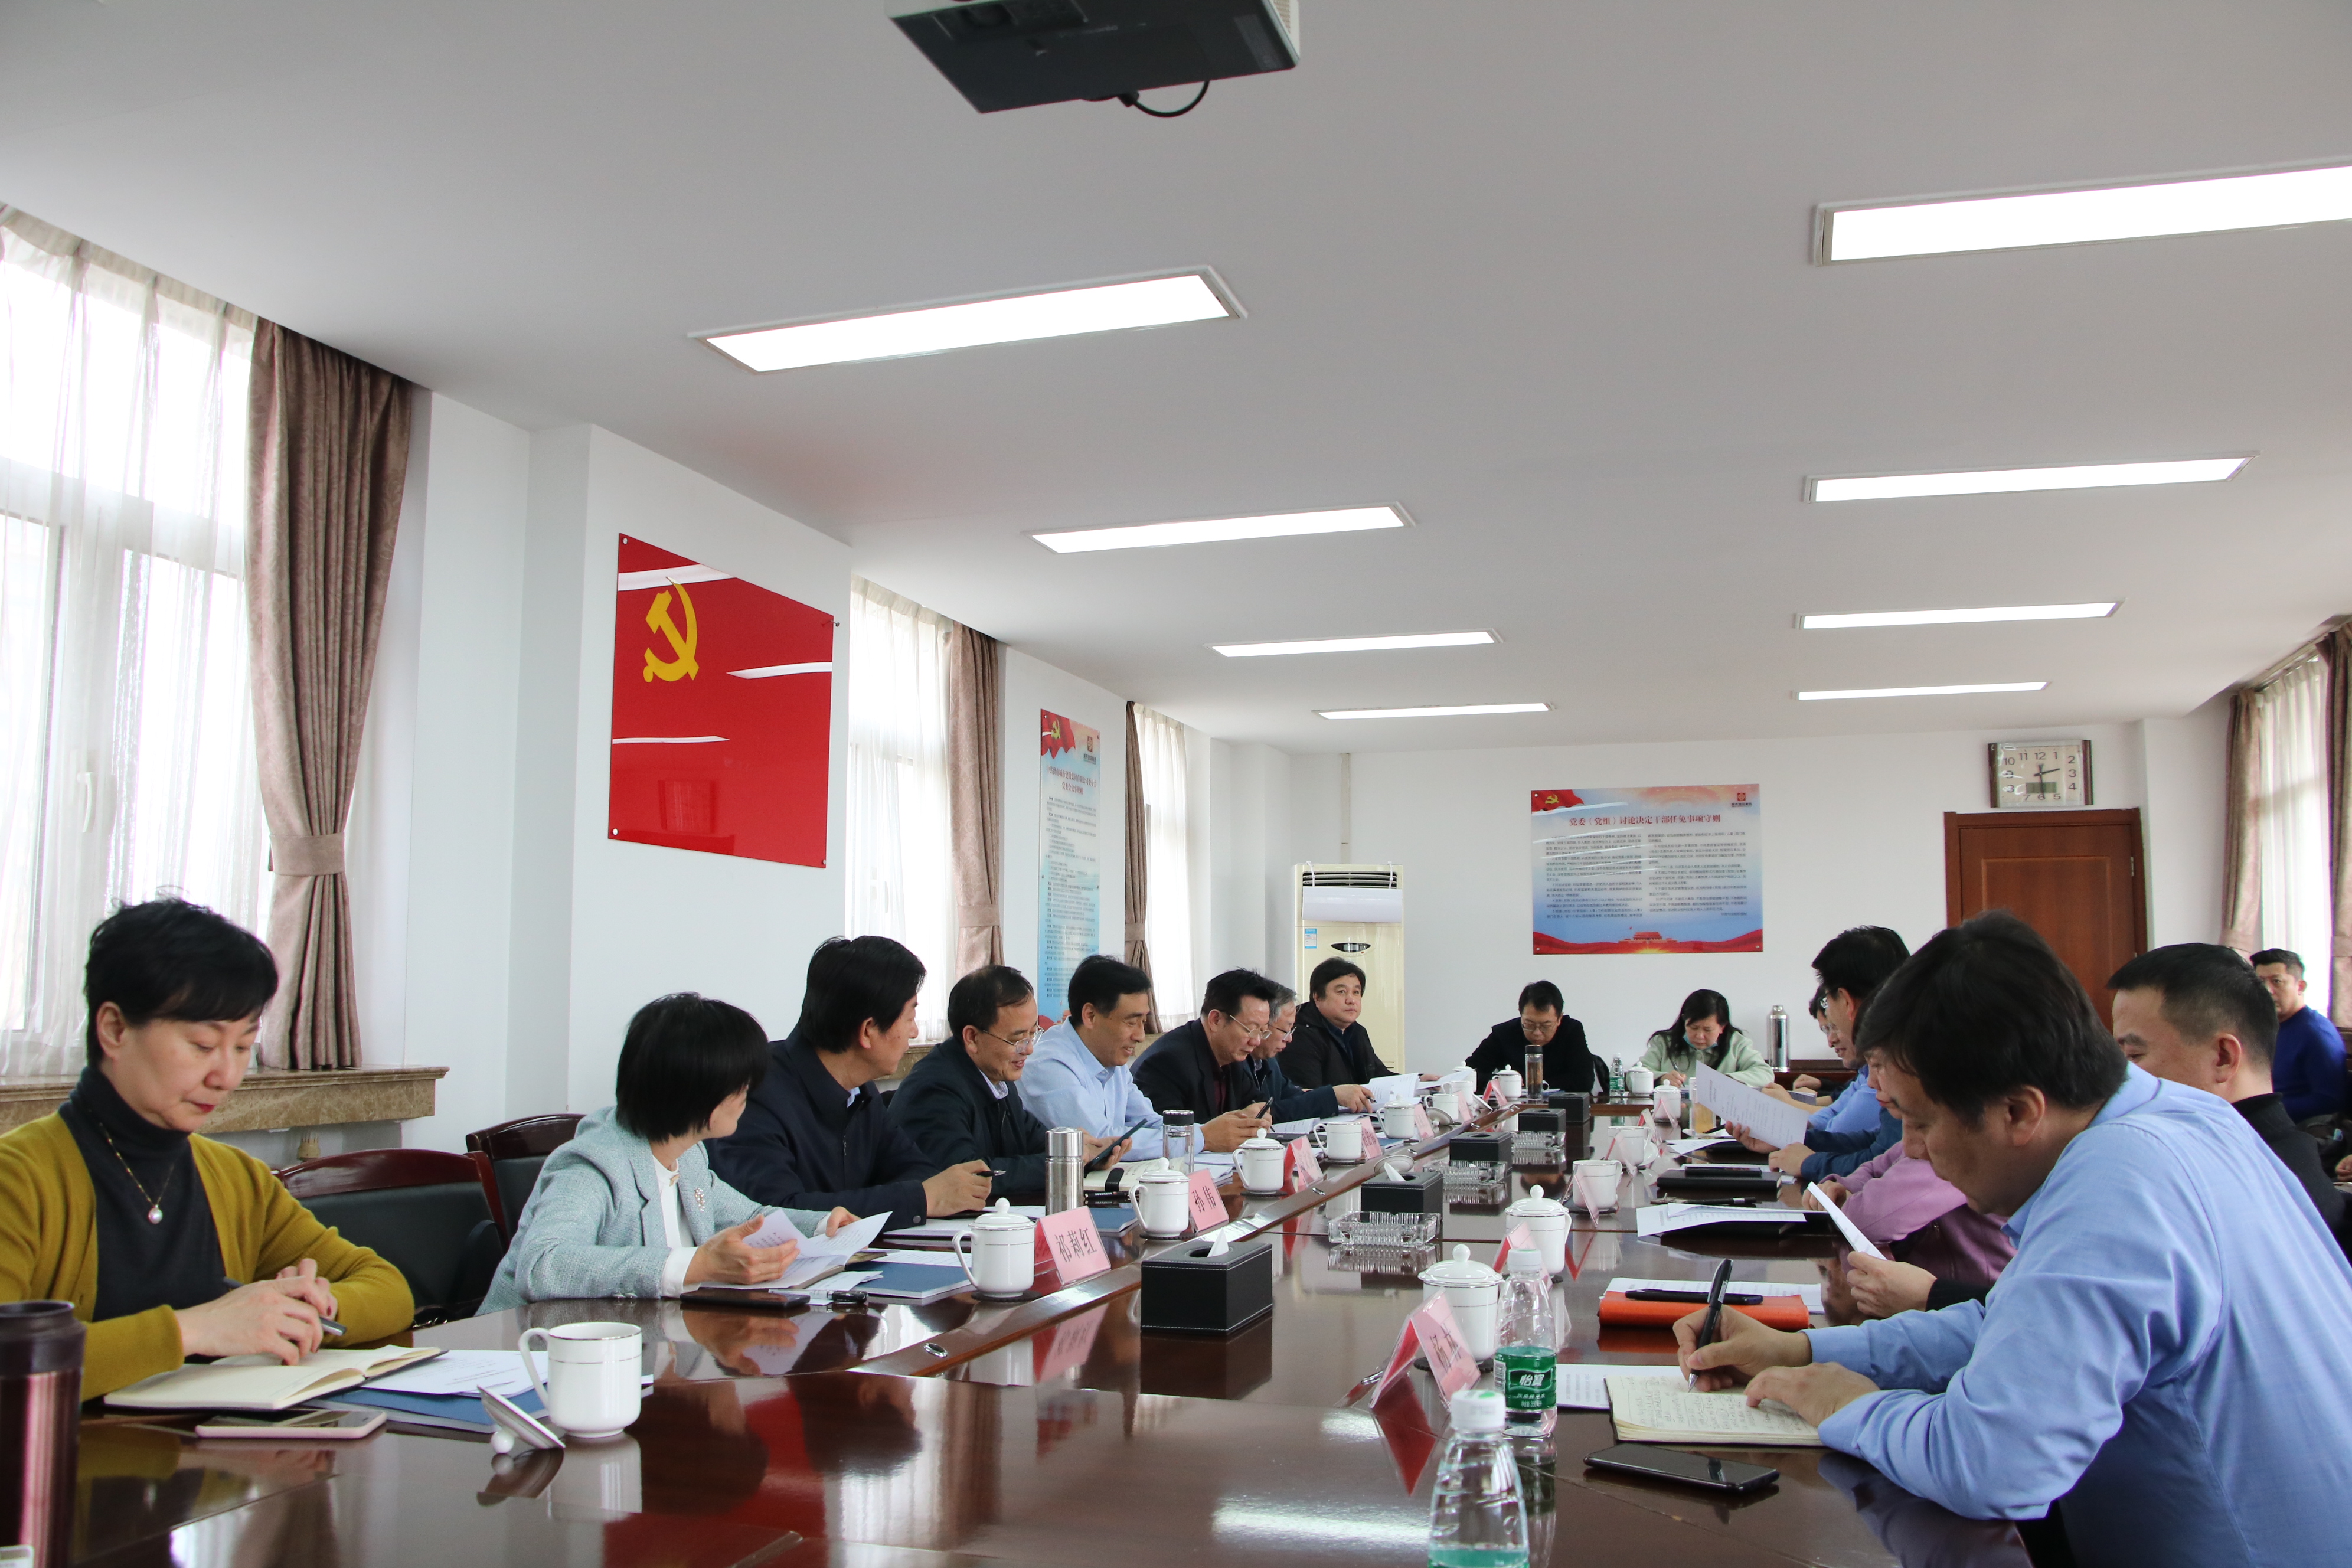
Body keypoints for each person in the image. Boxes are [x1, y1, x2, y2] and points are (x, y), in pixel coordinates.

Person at [1678, 912, 2352, 1567]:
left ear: (2019, 1110)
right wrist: (1802, 1349)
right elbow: (2015, 1323)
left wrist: (1849, 1406)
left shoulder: (2119, 1181)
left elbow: (1989, 1464)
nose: (1913, 1150)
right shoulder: (2181, 1115)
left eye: (1920, 1123)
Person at [0, 899, 411, 1399]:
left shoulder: (236, 1178)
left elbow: (387, 1288)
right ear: (114, 1029)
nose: (227, 1076)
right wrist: (194, 1329)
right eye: (202, 1045)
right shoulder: (19, 1177)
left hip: (218, 1446)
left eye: (242, 1047)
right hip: (70, 1448)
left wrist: (310, 1309)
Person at [482, 994, 851, 1309]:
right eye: (740, 1083)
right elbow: (544, 1264)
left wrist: (825, 1226)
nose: (748, 1093)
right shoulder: (592, 1166)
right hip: (526, 1356)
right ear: (695, 1091)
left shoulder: (687, 1157)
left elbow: (751, 1217)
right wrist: (694, 1265)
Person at [708, 936, 993, 1230]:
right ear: (868, 1031)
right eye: (910, 1017)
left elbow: (914, 1170)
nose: (914, 1032)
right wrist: (920, 1199)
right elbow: (774, 1214)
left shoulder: (860, 1090)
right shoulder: (754, 1091)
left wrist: (922, 1195)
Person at [2106, 943, 2351, 1260]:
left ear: (2223, 1057)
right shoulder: (2207, 1155)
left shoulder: (2259, 1186)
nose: (2124, 1077)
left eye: (2135, 1055)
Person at [890, 965, 1125, 1203]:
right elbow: (969, 1177)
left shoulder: (998, 1076)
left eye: (1033, 1034)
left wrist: (1079, 1149)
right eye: (1017, 1039)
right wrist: (1067, 1161)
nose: (1029, 1049)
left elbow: (1036, 1142)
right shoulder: (936, 1090)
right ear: (972, 1037)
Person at [1737, 927, 1909, 1180]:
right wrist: (1786, 1138)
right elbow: (1879, 1144)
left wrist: (1810, 1163)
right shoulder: (1897, 1045)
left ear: (1846, 1001)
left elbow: (1885, 1164)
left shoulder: (1906, 1058)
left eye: (1828, 1000)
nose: (1873, 1083)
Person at [1131, 970, 1278, 1136]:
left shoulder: (1233, 1055)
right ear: (1216, 1020)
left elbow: (1256, 1101)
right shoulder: (1166, 1062)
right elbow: (1168, 1135)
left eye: (1262, 1032)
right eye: (1251, 1030)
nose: (1256, 1041)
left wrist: (1258, 1112)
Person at [1247, 986, 1377, 1122]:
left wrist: (1334, 1095)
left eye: (1291, 1030)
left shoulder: (1269, 1061)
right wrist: (1333, 1095)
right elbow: (1265, 1113)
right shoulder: (1239, 1063)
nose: (1289, 1039)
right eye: (1285, 1030)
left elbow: (1292, 1095)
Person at [2248, 948, 2347, 1125]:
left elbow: (2329, 1100)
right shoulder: (2262, 1026)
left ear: (2300, 987)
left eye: (2277, 982)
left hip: (2290, 1127)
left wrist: (2262, 1109)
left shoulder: (2317, 1032)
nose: (2267, 990)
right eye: (2260, 982)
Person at [1465, 981, 1605, 1095]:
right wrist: (1499, 1082)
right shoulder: (1504, 1033)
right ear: (1520, 1014)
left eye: (1546, 1026)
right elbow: (1469, 1074)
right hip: (1515, 1111)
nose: (1537, 1033)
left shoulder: (1571, 1031)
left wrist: (1536, 1085)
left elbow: (1584, 1081)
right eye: (1529, 1024)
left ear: (1559, 1019)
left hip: (1564, 1110)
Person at [1281, 959, 1386, 1089]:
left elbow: (1379, 1076)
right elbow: (1308, 1094)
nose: (1351, 1000)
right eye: (1342, 992)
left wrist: (1411, 1082)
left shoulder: (1357, 1031)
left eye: (1356, 992)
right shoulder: (1300, 1035)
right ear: (1318, 998)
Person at [1641, 989, 1772, 1086]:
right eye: (1693, 1027)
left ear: (1722, 1027)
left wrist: (1729, 1080)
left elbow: (1765, 1074)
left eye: (1708, 1030)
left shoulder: (1737, 1044)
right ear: (1684, 1021)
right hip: (1672, 1113)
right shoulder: (1663, 1043)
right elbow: (1636, 1075)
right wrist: (1662, 1078)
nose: (1699, 1036)